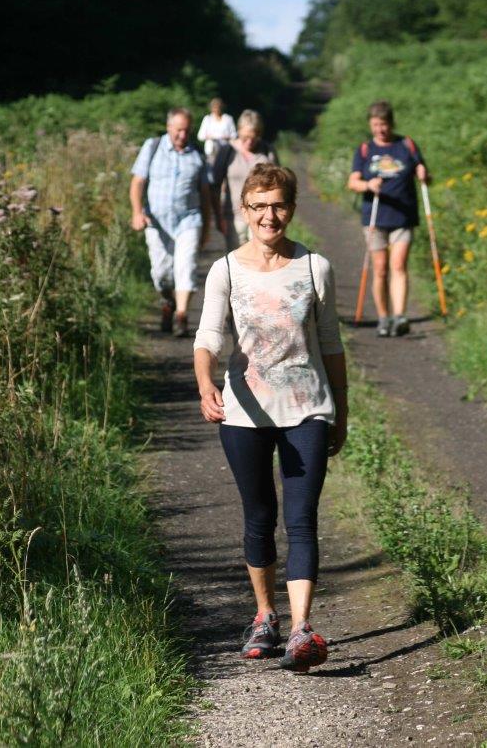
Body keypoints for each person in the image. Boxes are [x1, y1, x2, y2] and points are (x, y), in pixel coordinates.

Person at [193, 163, 348, 672]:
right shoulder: (227, 270)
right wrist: (205, 382)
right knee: (258, 517)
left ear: (292, 208)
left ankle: (301, 629)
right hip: (243, 411)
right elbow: (210, 337)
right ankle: (265, 616)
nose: (269, 216)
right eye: (259, 206)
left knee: (301, 520)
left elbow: (330, 345)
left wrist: (340, 412)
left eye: (278, 205)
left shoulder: (313, 267)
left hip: (308, 408)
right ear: (244, 211)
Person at [346, 100, 429, 337]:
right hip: (375, 217)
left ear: (391, 123)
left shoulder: (407, 145)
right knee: (380, 269)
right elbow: (352, 182)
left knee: (399, 265)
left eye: (383, 124)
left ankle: (400, 316)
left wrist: (424, 174)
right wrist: (368, 184)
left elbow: (423, 175)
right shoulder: (365, 150)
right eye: (375, 124)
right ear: (371, 125)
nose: (380, 129)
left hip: (403, 216)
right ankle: (383, 317)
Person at [130, 108, 214, 337]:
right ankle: (169, 302)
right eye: (178, 130)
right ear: (168, 128)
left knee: (185, 267)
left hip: (189, 220)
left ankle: (181, 316)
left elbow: (205, 194)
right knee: (162, 274)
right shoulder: (152, 146)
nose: (182, 135)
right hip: (157, 222)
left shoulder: (197, 154)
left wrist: (206, 228)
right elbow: (137, 182)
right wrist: (137, 212)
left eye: (187, 130)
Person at [211, 109, 278, 249]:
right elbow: (215, 186)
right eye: (245, 137)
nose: (249, 142)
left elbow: (279, 185)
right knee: (238, 262)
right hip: (234, 216)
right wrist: (218, 217)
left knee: (263, 257)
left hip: (263, 216)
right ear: (238, 130)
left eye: (254, 138)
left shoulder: (267, 151)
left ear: (259, 134)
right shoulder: (227, 151)